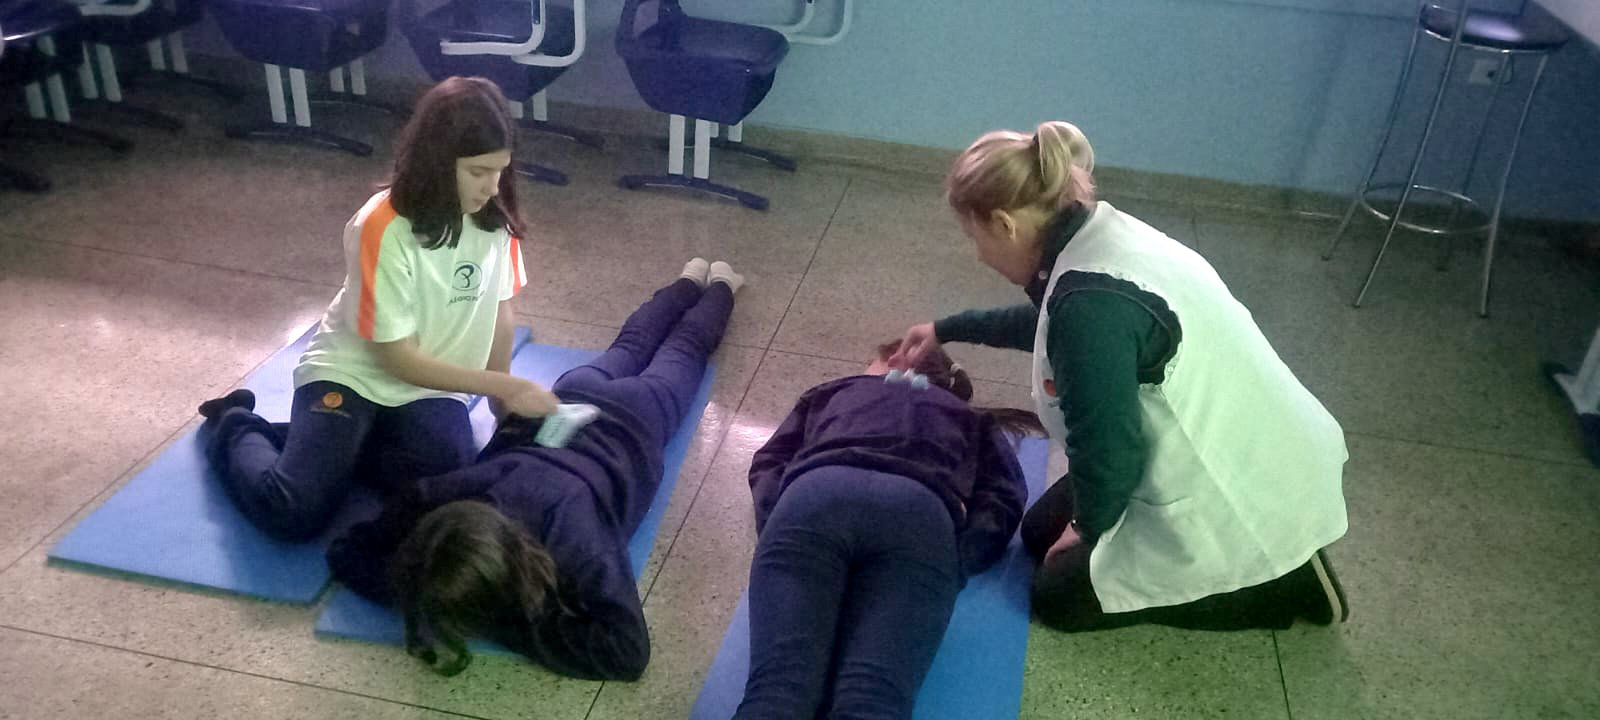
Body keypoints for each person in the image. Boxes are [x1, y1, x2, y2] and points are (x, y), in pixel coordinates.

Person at [890, 121, 1351, 632]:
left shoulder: (1089, 305)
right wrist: (947, 329)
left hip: (1235, 486)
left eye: (973, 236)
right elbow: (1051, 323)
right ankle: (1219, 547)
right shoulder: (1094, 239)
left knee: (1057, 598)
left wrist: (1088, 528)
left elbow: (1110, 447)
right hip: (1249, 437)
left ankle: (1282, 587)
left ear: (1004, 224)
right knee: (1039, 533)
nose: (977, 253)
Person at [325, 260, 745, 679]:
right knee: (635, 342)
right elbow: (348, 549)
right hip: (566, 400)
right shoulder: (449, 496)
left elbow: (627, 652)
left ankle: (721, 284)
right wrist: (420, 589)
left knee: (685, 348)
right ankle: (694, 279)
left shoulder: (574, 538)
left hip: (634, 419)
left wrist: (505, 622)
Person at [197, 77, 556, 542]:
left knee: (440, 499)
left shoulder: (495, 222)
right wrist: (506, 385)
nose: (492, 187)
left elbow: (499, 311)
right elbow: (395, 359)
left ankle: (335, 446)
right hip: (354, 376)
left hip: (431, 389)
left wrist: (502, 406)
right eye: (478, 171)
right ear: (438, 160)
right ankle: (234, 422)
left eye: (500, 171)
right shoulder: (382, 224)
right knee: (294, 509)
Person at [734, 340, 1037, 720]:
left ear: (895, 360)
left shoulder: (830, 391)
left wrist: (777, 521)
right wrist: (958, 557)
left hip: (817, 494)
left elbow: (770, 459)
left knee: (778, 687)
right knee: (873, 696)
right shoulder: (971, 417)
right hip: (919, 512)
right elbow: (1005, 495)